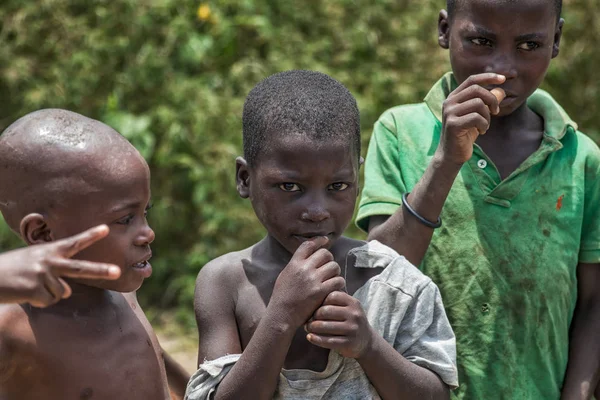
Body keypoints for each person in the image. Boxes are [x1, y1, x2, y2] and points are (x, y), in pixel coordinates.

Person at [357, 0, 600, 398]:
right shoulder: (401, 133)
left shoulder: (580, 159)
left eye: (529, 46)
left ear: (556, 39)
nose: (502, 69)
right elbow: (378, 277)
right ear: (444, 31)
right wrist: (446, 160)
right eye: (481, 41)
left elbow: (594, 302)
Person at [187, 70, 458, 400]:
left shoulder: (396, 284)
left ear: (357, 179)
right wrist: (281, 317)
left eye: (338, 186)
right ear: (245, 178)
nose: (317, 210)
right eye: (290, 187)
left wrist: (369, 346)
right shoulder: (225, 283)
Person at [0, 109, 189, 399]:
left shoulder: (123, 298)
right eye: (125, 219)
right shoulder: (13, 327)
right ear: (42, 233)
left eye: (144, 213)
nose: (147, 233)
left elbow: (152, 358)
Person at [0, 224, 121, 306]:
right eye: (126, 220)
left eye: (141, 214)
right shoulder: (10, 323)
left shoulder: (122, 290)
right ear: (43, 233)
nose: (140, 237)